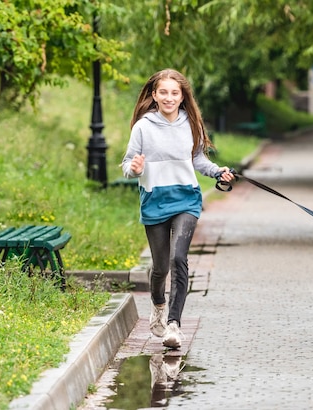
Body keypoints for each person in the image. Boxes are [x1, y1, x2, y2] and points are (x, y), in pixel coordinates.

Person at [121, 68, 235, 349]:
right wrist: (134, 169)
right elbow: (127, 164)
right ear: (154, 95)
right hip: (154, 201)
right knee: (160, 268)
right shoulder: (143, 127)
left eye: (175, 93)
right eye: (164, 92)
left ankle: (174, 324)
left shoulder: (190, 123)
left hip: (186, 199)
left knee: (178, 258)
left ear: (183, 96)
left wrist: (217, 171)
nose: (169, 97)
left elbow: (197, 159)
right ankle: (158, 304)